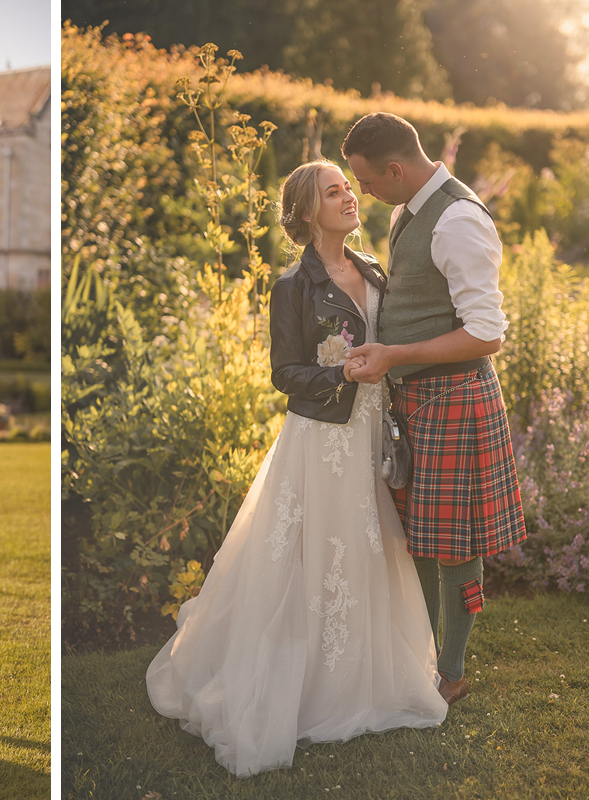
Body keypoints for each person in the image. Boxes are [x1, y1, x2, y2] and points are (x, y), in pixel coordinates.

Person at [146, 159, 448, 777]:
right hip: (321, 440)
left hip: (368, 436)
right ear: (309, 212)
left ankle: (367, 680)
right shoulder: (293, 285)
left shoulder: (371, 269)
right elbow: (284, 374)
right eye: (333, 192)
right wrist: (341, 373)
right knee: (309, 557)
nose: (348, 198)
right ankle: (302, 685)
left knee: (367, 553)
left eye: (347, 188)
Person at [342, 112, 526, 705]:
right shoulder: (407, 210)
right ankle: (418, 659)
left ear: (396, 169)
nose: (363, 193)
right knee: (419, 537)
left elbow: (488, 333)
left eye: (367, 181)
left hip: (456, 400)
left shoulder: (459, 219)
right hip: (417, 402)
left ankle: (451, 674)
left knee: (455, 545)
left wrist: (395, 353)